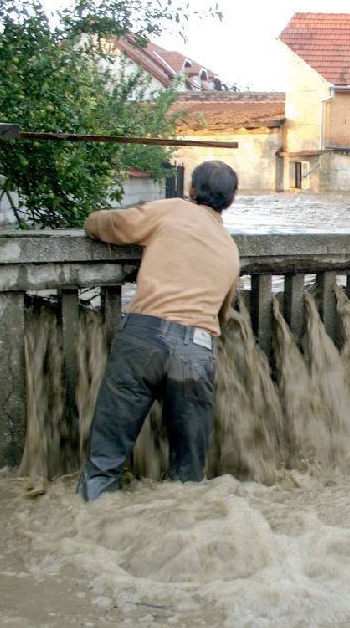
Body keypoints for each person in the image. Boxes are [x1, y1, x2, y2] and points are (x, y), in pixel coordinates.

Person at [77, 160, 241, 501]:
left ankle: (91, 512)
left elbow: (116, 224)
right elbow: (221, 316)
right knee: (187, 476)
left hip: (143, 337)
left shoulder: (173, 210)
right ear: (230, 201)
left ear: (191, 190)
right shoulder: (230, 249)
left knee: (105, 459)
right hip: (197, 349)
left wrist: (91, 221)